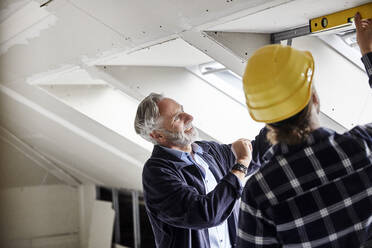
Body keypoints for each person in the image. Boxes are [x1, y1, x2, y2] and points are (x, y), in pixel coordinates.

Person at [237, 13, 372, 248]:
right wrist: (368, 52)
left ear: (266, 119)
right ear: (315, 99)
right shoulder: (363, 146)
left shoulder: (259, 193)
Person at [134, 94, 269, 248]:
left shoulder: (209, 151)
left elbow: (258, 152)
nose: (189, 117)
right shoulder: (157, 173)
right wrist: (240, 165)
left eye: (182, 110)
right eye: (177, 118)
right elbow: (204, 214)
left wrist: (284, 118)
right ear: (158, 135)